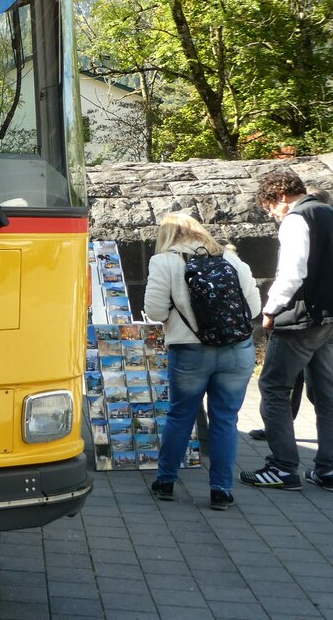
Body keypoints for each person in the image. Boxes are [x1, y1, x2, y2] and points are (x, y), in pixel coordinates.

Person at [143, 212, 261, 510]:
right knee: (225, 419)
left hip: (190, 352)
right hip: (237, 349)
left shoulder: (164, 262)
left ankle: (166, 481)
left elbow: (155, 311)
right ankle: (221, 490)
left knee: (180, 415)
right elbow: (254, 308)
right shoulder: (231, 259)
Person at [241, 170, 333, 491]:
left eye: (269, 207)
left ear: (280, 197)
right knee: (326, 393)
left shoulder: (297, 218)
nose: (271, 214)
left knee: (273, 388)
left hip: (300, 319)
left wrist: (270, 309)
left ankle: (283, 466)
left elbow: (293, 272)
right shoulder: (328, 212)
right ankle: (328, 469)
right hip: (329, 318)